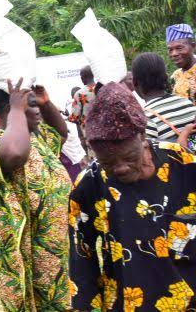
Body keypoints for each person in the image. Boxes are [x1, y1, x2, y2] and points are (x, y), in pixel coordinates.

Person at [68, 82, 196, 311]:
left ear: (142, 135)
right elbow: (81, 260)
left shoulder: (184, 164)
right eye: (107, 163)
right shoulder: (88, 185)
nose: (120, 168)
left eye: (128, 157)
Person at [0, 79, 71, 311]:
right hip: (24, 246)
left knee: (57, 300)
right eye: (32, 105)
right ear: (10, 109)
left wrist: (46, 104)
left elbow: (61, 133)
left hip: (52, 245)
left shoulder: (37, 137)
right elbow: (15, 154)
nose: (37, 111)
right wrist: (17, 110)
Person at [133, 52, 196, 146]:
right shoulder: (188, 104)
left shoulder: (146, 118)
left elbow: (147, 153)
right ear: (166, 77)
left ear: (135, 83)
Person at [69, 66, 97, 153]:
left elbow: (74, 117)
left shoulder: (79, 94)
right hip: (105, 129)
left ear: (82, 78)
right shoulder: (102, 88)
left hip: (89, 132)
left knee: (94, 156)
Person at [167, 23, 196, 104]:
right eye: (170, 50)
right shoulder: (175, 76)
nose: (174, 54)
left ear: (193, 46)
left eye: (179, 48)